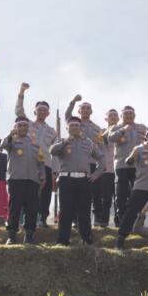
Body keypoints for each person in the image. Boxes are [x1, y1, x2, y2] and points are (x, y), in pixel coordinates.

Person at [50, 116, 105, 246]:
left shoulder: (88, 142)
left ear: (81, 128)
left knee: (84, 210)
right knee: (66, 211)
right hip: (66, 179)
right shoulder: (61, 141)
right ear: (67, 127)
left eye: (77, 125)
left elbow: (101, 158)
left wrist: (96, 174)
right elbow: (52, 151)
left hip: (84, 180)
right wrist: (64, 142)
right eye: (72, 125)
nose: (75, 127)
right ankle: (63, 240)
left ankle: (86, 238)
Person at [15, 82, 59, 228]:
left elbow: (56, 152)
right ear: (34, 112)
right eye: (39, 110)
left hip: (45, 164)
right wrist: (22, 92)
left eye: (44, 110)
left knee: (45, 193)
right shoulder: (27, 125)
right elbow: (19, 111)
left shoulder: (52, 131)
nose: (41, 113)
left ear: (48, 113)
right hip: (29, 163)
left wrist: (55, 171)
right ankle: (25, 220)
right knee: (28, 193)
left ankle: (43, 219)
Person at [2, 117, 46, 244]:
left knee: (31, 209)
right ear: (16, 127)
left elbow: (41, 162)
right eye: (19, 125)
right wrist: (10, 134)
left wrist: (42, 176)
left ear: (28, 128)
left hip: (32, 180)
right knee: (14, 208)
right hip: (15, 179)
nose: (22, 128)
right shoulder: (12, 141)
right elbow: (3, 145)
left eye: (24, 126)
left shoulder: (35, 144)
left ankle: (29, 236)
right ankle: (11, 236)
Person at [65, 94, 105, 226]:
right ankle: (75, 220)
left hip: (92, 163)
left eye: (88, 108)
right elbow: (67, 113)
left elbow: (100, 145)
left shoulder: (97, 128)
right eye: (83, 108)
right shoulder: (74, 122)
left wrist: (101, 165)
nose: (86, 110)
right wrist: (73, 101)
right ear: (79, 111)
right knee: (76, 194)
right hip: (76, 163)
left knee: (96, 192)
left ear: (91, 111)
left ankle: (97, 219)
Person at [107, 106, 147, 227]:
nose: (128, 116)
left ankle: (136, 220)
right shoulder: (116, 127)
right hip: (121, 165)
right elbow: (110, 138)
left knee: (138, 194)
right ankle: (121, 220)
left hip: (138, 166)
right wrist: (123, 130)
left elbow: (147, 142)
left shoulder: (141, 127)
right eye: (126, 114)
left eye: (131, 113)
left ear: (134, 115)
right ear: (121, 116)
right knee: (121, 194)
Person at [96, 109, 119, 227]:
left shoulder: (123, 131)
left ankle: (119, 222)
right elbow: (99, 145)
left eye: (115, 115)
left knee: (120, 199)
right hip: (106, 170)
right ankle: (103, 221)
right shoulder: (102, 132)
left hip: (120, 170)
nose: (113, 117)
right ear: (106, 119)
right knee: (106, 198)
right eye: (110, 115)